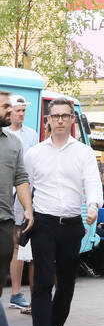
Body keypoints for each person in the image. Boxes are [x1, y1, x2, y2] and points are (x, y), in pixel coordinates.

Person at [26, 97, 101, 326]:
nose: (59, 120)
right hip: (43, 223)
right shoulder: (34, 154)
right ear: (47, 120)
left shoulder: (83, 152)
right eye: (55, 116)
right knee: (43, 282)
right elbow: (24, 188)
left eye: (64, 116)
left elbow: (92, 183)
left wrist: (93, 205)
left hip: (72, 225)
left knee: (67, 283)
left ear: (72, 119)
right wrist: (20, 219)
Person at [0, 91, 33, 300]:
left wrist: (28, 209)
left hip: (4, 220)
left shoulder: (13, 142)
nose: (10, 110)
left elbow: (21, 178)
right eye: (5, 106)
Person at [8, 96, 38, 310]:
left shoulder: (31, 135)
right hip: (5, 192)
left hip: (23, 191)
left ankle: (16, 293)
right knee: (11, 244)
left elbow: (33, 165)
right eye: (18, 110)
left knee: (19, 242)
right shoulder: (5, 134)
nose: (21, 114)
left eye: (23, 111)